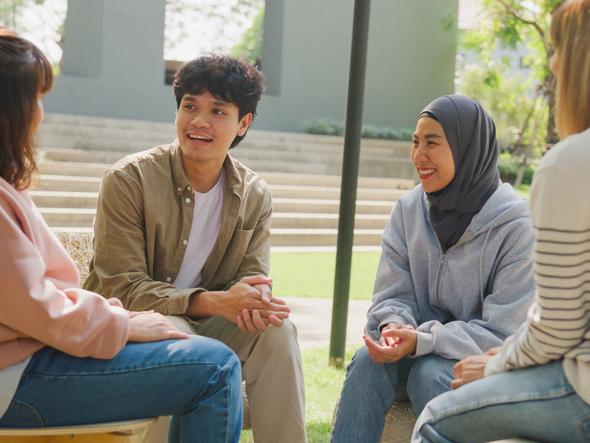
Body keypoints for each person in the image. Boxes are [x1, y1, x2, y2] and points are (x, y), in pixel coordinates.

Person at [0, 35, 242, 443]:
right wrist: (124, 322)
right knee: (214, 367)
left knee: (255, 342)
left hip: (31, 358)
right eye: (36, 99)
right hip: (17, 379)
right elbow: (39, 309)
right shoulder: (131, 177)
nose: (40, 113)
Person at [83, 54, 306, 443]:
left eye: (218, 111)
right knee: (176, 331)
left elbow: (251, 277)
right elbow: (123, 287)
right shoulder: (129, 180)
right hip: (132, 325)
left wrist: (257, 299)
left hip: (209, 325)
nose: (199, 121)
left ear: (243, 123)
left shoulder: (254, 193)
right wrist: (216, 302)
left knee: (278, 330)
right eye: (190, 106)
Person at [412, 2, 590, 441]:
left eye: (556, 49)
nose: (551, 63)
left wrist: (493, 364)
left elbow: (557, 328)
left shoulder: (568, 165)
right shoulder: (409, 209)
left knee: (435, 418)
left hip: (579, 391)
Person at [331, 94, 536, 443]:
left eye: (432, 143)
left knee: (430, 372)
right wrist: (395, 327)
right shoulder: (408, 210)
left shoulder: (517, 225)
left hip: (483, 367)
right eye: (415, 142)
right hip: (413, 353)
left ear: (466, 147)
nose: (418, 156)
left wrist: (424, 341)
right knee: (369, 361)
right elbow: (391, 295)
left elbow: (506, 332)